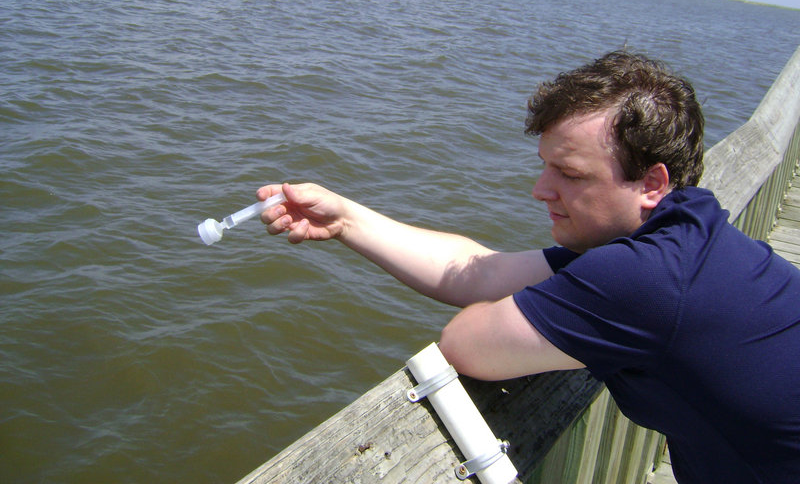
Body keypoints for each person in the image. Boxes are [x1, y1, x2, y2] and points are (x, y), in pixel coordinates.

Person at [257, 51, 800, 483]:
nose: (541, 190)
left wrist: (570, 323)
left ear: (652, 183)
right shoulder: (685, 236)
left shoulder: (646, 278)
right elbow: (477, 272)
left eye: (570, 174)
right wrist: (346, 219)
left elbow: (467, 344)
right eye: (545, 167)